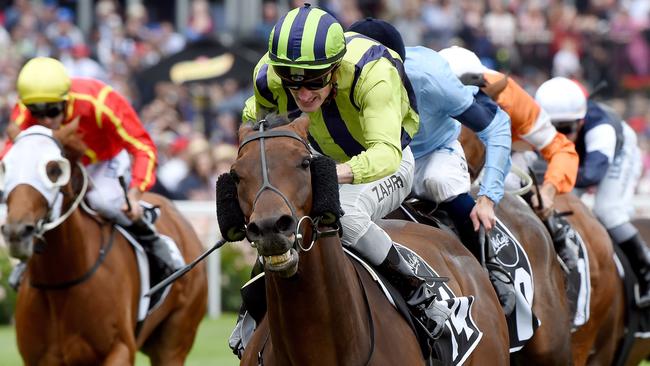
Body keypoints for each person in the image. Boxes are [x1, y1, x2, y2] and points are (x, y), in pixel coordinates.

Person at [230, 4, 449, 357]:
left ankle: (419, 294)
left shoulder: (373, 71)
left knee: (344, 212)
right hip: (314, 161)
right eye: (293, 81)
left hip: (386, 163)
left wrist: (329, 176)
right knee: (275, 218)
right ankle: (253, 308)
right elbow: (255, 133)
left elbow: (386, 154)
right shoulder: (267, 78)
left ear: (336, 66)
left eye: (315, 81)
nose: (303, 95)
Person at [347, 18, 516, 314]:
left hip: (431, 153)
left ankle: (492, 267)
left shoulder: (432, 77)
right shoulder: (333, 75)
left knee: (440, 182)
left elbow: (496, 126)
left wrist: (488, 197)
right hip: (368, 155)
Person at [4, 57, 185, 289]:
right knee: (43, 202)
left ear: (66, 99)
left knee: (104, 202)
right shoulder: (25, 106)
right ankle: (28, 259)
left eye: (52, 110)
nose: (46, 120)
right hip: (63, 162)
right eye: (36, 113)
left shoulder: (99, 101)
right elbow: (11, 151)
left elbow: (142, 146)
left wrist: (135, 194)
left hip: (104, 160)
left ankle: (153, 237)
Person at [437, 46, 581, 269]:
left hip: (504, 151)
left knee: (512, 182)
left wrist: (548, 190)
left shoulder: (510, 97)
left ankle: (557, 240)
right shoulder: (420, 86)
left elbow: (561, 149)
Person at [535, 76, 650, 305]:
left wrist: (550, 177)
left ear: (581, 121)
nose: (559, 136)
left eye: (565, 129)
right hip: (580, 160)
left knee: (608, 211)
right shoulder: (542, 120)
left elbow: (590, 176)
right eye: (551, 129)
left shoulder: (602, 129)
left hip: (617, 155)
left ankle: (646, 273)